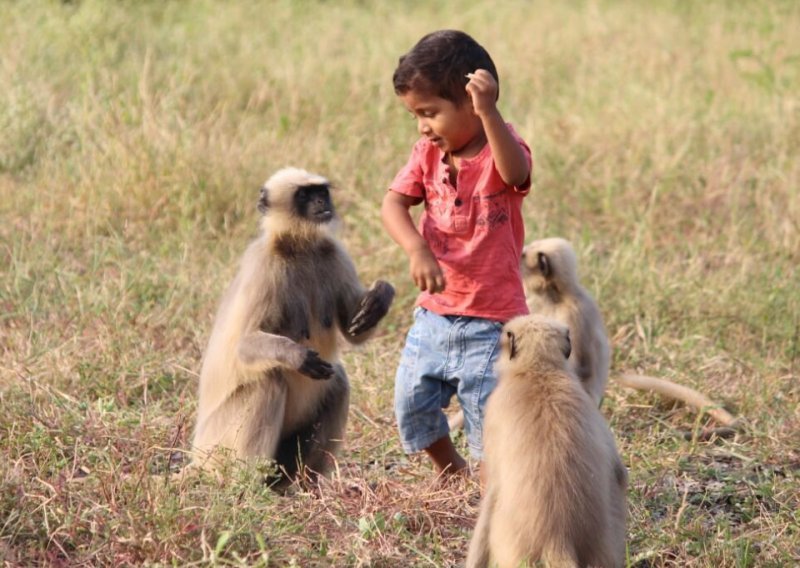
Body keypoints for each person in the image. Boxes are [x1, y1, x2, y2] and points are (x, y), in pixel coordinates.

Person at [381, 29, 533, 481]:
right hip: (434, 314)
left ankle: (494, 495)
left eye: (430, 113)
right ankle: (451, 471)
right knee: (411, 402)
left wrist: (491, 114)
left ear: (471, 102)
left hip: (491, 321)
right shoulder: (426, 153)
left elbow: (516, 172)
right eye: (415, 116)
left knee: (489, 422)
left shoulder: (501, 147)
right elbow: (392, 204)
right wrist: (416, 247)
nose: (423, 126)